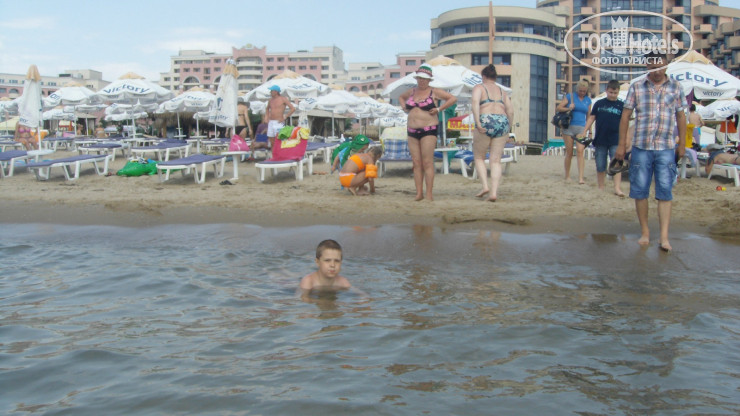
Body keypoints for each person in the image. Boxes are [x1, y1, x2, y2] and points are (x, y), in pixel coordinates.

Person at [616, 52, 687, 252]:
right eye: (653, 67)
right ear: (648, 66)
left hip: (666, 146)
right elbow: (625, 116)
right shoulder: (637, 87)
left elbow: (681, 117)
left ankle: (664, 237)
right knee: (640, 191)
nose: (657, 71)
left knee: (665, 191)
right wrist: (621, 144)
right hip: (641, 146)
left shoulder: (676, 87)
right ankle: (645, 232)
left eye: (661, 67)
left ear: (666, 66)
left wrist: (682, 145)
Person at [399, 64, 457, 201]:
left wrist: (439, 109)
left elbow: (452, 98)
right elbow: (401, 97)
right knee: (416, 162)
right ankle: (419, 193)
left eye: (424, 79)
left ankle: (429, 194)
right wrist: (404, 106)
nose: (422, 81)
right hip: (412, 130)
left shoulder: (434, 91)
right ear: (417, 79)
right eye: (420, 78)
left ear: (429, 80)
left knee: (427, 162)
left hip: (428, 129)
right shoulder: (412, 91)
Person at [471, 64, 514, 202]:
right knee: (496, 160)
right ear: (495, 77)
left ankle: (485, 186)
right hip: (502, 121)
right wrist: (508, 128)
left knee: (479, 157)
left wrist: (477, 122)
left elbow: (475, 103)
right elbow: (510, 111)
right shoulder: (502, 91)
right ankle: (494, 193)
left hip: (486, 119)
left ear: (483, 76)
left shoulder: (479, 87)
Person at [579, 79, 625, 196]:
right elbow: (591, 118)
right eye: (611, 92)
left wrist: (625, 139)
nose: (613, 95)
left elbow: (625, 123)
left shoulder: (621, 105)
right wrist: (584, 131)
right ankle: (601, 186)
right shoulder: (599, 104)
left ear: (618, 92)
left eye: (615, 93)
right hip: (600, 138)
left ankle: (617, 188)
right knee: (600, 164)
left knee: (616, 164)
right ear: (606, 91)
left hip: (616, 139)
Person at [557, 79, 592, 184]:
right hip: (569, 127)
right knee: (569, 152)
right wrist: (568, 108)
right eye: (580, 91)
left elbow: (589, 117)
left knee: (580, 151)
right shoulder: (570, 97)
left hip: (581, 128)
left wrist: (589, 131)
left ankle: (581, 177)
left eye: (584, 91)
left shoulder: (588, 100)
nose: (582, 93)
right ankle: (567, 175)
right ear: (577, 89)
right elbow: (559, 107)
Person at [264, 85, 295, 149]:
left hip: (278, 122)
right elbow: (267, 108)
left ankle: (280, 153)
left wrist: (285, 116)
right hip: (271, 121)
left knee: (279, 140)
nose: (270, 92)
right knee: (271, 140)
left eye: (271, 91)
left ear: (276, 91)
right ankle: (273, 154)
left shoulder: (283, 99)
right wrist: (266, 117)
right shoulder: (270, 100)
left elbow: (292, 108)